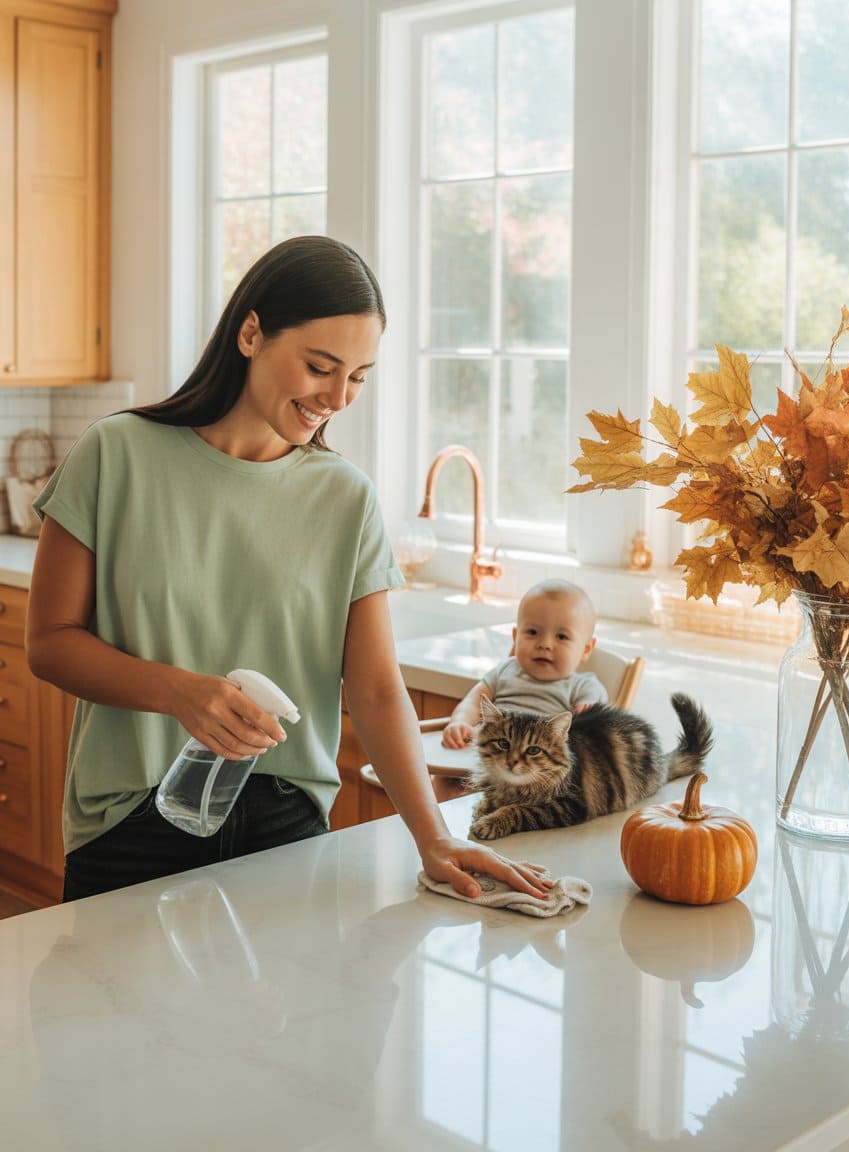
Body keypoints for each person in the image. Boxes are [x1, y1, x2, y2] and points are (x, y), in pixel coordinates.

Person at [26, 235, 552, 904]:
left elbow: (377, 690)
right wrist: (180, 694)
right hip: (131, 818)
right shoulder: (115, 455)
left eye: (358, 376)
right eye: (320, 366)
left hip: (285, 824)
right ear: (251, 334)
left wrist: (434, 838)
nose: (338, 395)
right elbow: (49, 644)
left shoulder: (346, 497)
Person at [441, 579, 607, 749]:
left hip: (537, 764)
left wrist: (587, 714)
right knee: (446, 764)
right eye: (532, 632)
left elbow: (591, 728)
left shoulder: (584, 687)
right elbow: (473, 702)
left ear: (586, 649)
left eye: (562, 637)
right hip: (489, 753)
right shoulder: (504, 670)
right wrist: (460, 722)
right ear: (516, 636)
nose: (545, 644)